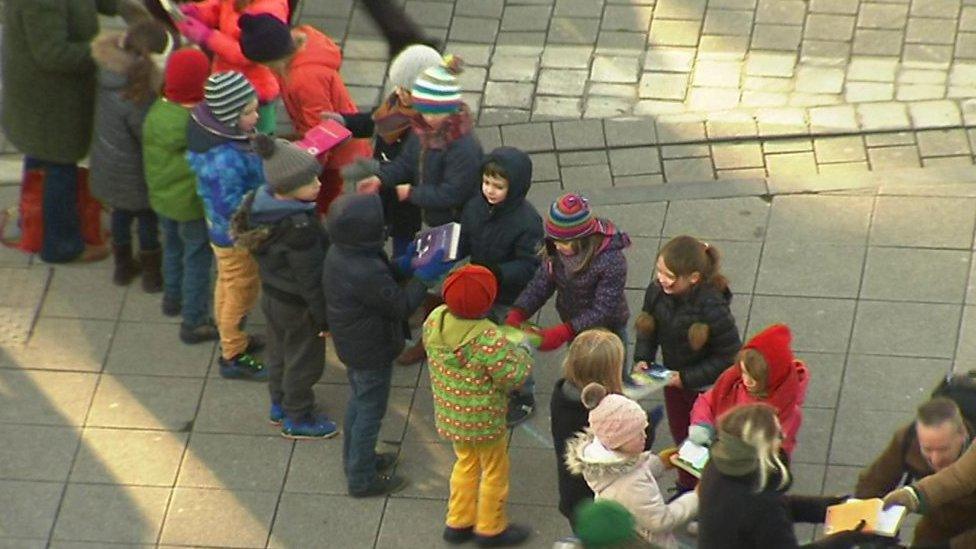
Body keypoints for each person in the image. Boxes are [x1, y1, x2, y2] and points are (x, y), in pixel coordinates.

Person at [356, 57, 484, 365]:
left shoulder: (464, 148)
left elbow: (454, 192)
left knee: (433, 278)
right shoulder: (424, 130)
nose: (423, 117)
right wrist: (382, 178)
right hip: (437, 223)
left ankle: (433, 338)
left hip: (455, 228)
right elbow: (405, 164)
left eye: (430, 111)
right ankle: (429, 325)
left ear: (448, 110)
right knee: (418, 266)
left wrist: (411, 193)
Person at [322, 193, 451, 496]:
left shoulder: (346, 253)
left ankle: (357, 460)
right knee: (369, 411)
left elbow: (382, 276)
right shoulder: (362, 269)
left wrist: (404, 266)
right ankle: (361, 478)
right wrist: (423, 276)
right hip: (371, 351)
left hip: (356, 346)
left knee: (359, 403)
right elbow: (401, 306)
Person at [1, 0, 148, 263]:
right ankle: (61, 244)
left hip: (43, 96)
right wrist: (107, 52)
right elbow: (53, 54)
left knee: (41, 156)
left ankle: (35, 222)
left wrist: (121, 6)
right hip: (48, 100)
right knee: (59, 163)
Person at [231, 134, 335, 438]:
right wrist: (323, 318)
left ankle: (279, 402)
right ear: (288, 189)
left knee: (279, 351)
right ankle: (298, 416)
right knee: (305, 360)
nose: (318, 184)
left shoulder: (260, 208)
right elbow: (311, 281)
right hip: (298, 305)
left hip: (274, 295)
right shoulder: (298, 229)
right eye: (310, 181)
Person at [423, 264, 533, 547]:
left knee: (465, 462)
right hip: (485, 420)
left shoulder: (435, 320)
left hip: (451, 415)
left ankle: (458, 521)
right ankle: (490, 527)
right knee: (495, 468)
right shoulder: (487, 337)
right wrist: (522, 349)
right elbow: (513, 376)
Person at [698, 403, 889, 548]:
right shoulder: (761, 503)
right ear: (762, 447)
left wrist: (832, 507)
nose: (783, 437)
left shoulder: (719, 466)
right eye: (778, 435)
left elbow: (779, 506)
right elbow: (771, 512)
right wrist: (847, 538)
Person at [634, 235, 741, 492]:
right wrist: (642, 359)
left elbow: (729, 356)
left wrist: (687, 378)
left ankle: (707, 491)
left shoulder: (712, 306)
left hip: (704, 387)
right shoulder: (656, 292)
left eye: (669, 275)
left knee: (703, 439)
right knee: (681, 433)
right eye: (659, 271)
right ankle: (687, 484)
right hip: (674, 380)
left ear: (693, 277)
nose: (662, 279)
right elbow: (648, 329)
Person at [237, 13, 373, 215]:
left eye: (264, 64)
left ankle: (323, 229)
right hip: (333, 144)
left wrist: (307, 170)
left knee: (322, 201)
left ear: (274, 57)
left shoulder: (305, 79)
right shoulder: (303, 40)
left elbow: (323, 132)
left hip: (335, 155)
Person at [186, 70, 267, 380]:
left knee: (228, 282)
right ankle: (232, 353)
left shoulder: (222, 137)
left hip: (223, 231)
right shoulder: (224, 158)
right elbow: (230, 205)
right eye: (248, 112)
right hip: (235, 234)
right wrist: (264, 200)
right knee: (242, 289)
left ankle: (231, 338)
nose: (256, 115)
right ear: (230, 116)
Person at [457, 146, 544, 425]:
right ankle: (494, 377)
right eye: (486, 183)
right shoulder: (475, 207)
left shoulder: (528, 222)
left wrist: (496, 272)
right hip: (482, 289)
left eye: (498, 186)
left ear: (515, 187)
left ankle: (524, 395)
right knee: (485, 338)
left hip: (510, 295)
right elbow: (466, 240)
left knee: (516, 345)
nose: (490, 191)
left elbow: (530, 265)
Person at [551, 329, 663, 530]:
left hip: (574, 497)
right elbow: (633, 446)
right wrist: (648, 423)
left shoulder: (563, 395)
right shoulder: (603, 415)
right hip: (601, 506)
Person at [143, 47, 218, 343]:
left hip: (163, 199)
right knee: (197, 258)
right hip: (191, 204)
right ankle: (194, 321)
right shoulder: (196, 124)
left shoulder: (157, 111)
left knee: (172, 247)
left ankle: (172, 298)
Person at [565, 383, 697, 549]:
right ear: (617, 440)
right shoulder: (632, 485)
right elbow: (660, 520)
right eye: (637, 434)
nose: (644, 436)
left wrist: (660, 463)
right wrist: (697, 496)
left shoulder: (609, 463)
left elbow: (632, 469)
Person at [90, 18, 169, 292]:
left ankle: (122, 268)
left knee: (120, 216)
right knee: (147, 220)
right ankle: (152, 275)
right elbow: (146, 134)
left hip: (109, 165)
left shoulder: (105, 75)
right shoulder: (138, 93)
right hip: (136, 172)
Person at [860, 397, 976, 548]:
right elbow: (874, 482)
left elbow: (960, 477)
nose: (935, 460)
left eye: (943, 449)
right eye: (927, 449)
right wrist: (863, 525)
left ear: (963, 434)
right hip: (936, 523)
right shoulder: (907, 440)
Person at [688, 324, 808, 458]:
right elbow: (708, 401)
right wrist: (702, 424)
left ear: (772, 377)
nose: (746, 380)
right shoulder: (732, 379)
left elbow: (777, 452)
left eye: (754, 378)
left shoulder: (787, 412)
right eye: (744, 372)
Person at [176, 0, 288, 134]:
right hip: (227, 85)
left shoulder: (270, 7)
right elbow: (221, 7)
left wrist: (209, 37)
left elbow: (249, 54)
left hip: (254, 93)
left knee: (257, 145)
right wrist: (197, 12)